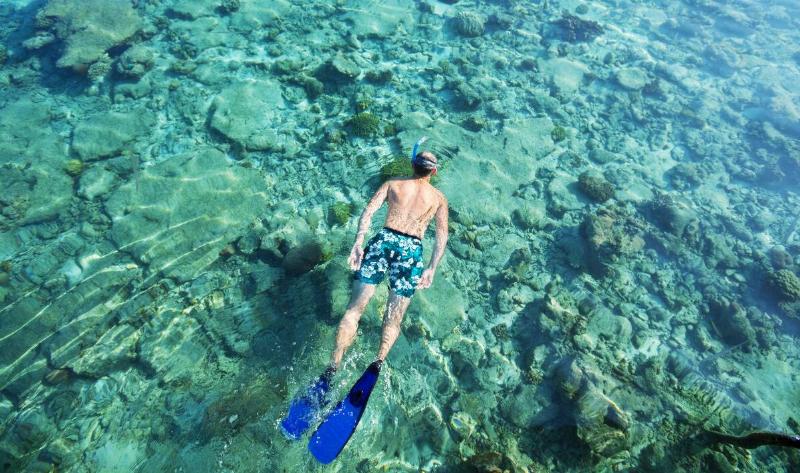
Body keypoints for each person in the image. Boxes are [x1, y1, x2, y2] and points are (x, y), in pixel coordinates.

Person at [281, 140, 449, 464]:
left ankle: (332, 368)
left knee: (354, 310)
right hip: (411, 250)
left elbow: (369, 212)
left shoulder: (393, 184)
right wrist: (431, 266)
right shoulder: (438, 199)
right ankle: (376, 365)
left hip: (383, 239)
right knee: (393, 319)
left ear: (412, 164)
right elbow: (441, 236)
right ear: (434, 171)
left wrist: (359, 242)